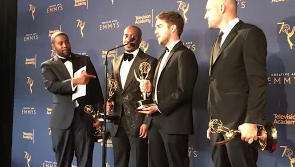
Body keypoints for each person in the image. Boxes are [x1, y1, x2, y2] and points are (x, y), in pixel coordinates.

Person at [204, 0, 268, 167]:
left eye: (208, 10)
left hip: (240, 127)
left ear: (222, 8)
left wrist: (252, 121)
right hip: (219, 128)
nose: (205, 15)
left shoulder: (249, 34)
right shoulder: (217, 42)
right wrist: (213, 121)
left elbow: (258, 81)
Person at [139, 11, 198, 167]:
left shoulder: (184, 55)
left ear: (172, 28)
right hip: (156, 123)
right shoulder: (161, 57)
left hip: (175, 124)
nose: (155, 31)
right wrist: (149, 89)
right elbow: (161, 90)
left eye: (159, 26)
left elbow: (184, 90)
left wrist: (158, 107)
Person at [41, 31, 104, 167]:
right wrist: (75, 81)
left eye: (67, 42)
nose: (65, 45)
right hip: (62, 121)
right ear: (53, 46)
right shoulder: (48, 65)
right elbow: (53, 86)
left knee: (85, 160)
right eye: (61, 43)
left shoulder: (84, 60)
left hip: (84, 118)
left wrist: (99, 116)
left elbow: (96, 90)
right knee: (63, 161)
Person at [107, 25, 157, 167]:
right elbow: (113, 87)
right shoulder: (115, 61)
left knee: (138, 163)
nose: (128, 39)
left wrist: (146, 122)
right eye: (126, 35)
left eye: (133, 37)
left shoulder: (149, 62)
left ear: (140, 40)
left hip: (138, 122)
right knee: (119, 162)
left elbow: (152, 95)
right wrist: (109, 101)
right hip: (117, 121)